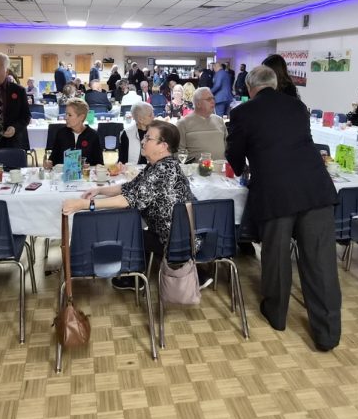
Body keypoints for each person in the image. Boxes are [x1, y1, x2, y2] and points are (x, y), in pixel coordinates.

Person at [226, 65, 340, 352]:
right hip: (315, 188)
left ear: (250, 88)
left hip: (276, 192)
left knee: (276, 257)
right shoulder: (297, 107)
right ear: (275, 84)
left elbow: (234, 153)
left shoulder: (242, 112)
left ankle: (276, 315)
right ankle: (327, 335)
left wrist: (241, 168)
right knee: (321, 264)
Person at [63, 119, 193, 289]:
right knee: (127, 225)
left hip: (175, 241)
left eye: (148, 138)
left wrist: (84, 205)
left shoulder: (163, 170)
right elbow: (129, 187)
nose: (143, 141)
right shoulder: (158, 165)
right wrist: (99, 190)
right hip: (173, 234)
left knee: (123, 230)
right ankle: (135, 274)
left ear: (163, 146)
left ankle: (133, 278)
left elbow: (127, 200)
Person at [47, 98, 103, 167]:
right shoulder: (61, 133)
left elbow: (99, 163)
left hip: (85, 173)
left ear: (81, 117)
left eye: (69, 115)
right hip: (63, 173)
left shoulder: (93, 135)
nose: (66, 118)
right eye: (66, 114)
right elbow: (53, 158)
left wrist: (89, 166)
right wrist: (49, 162)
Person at [178, 87, 228, 160]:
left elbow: (228, 147)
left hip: (221, 165)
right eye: (209, 99)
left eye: (213, 98)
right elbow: (179, 153)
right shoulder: (182, 124)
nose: (213, 101)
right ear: (198, 104)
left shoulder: (219, 120)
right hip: (196, 166)